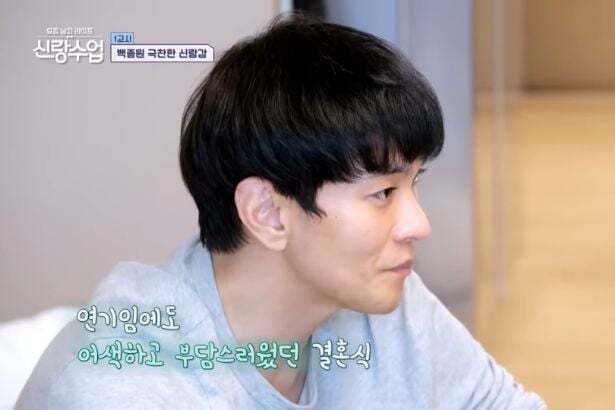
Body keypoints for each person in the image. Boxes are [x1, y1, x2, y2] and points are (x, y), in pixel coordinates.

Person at [16, 15, 546, 409]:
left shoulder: (380, 301)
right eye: (383, 193)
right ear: (267, 213)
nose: (418, 225)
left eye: (414, 184)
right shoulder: (127, 390)